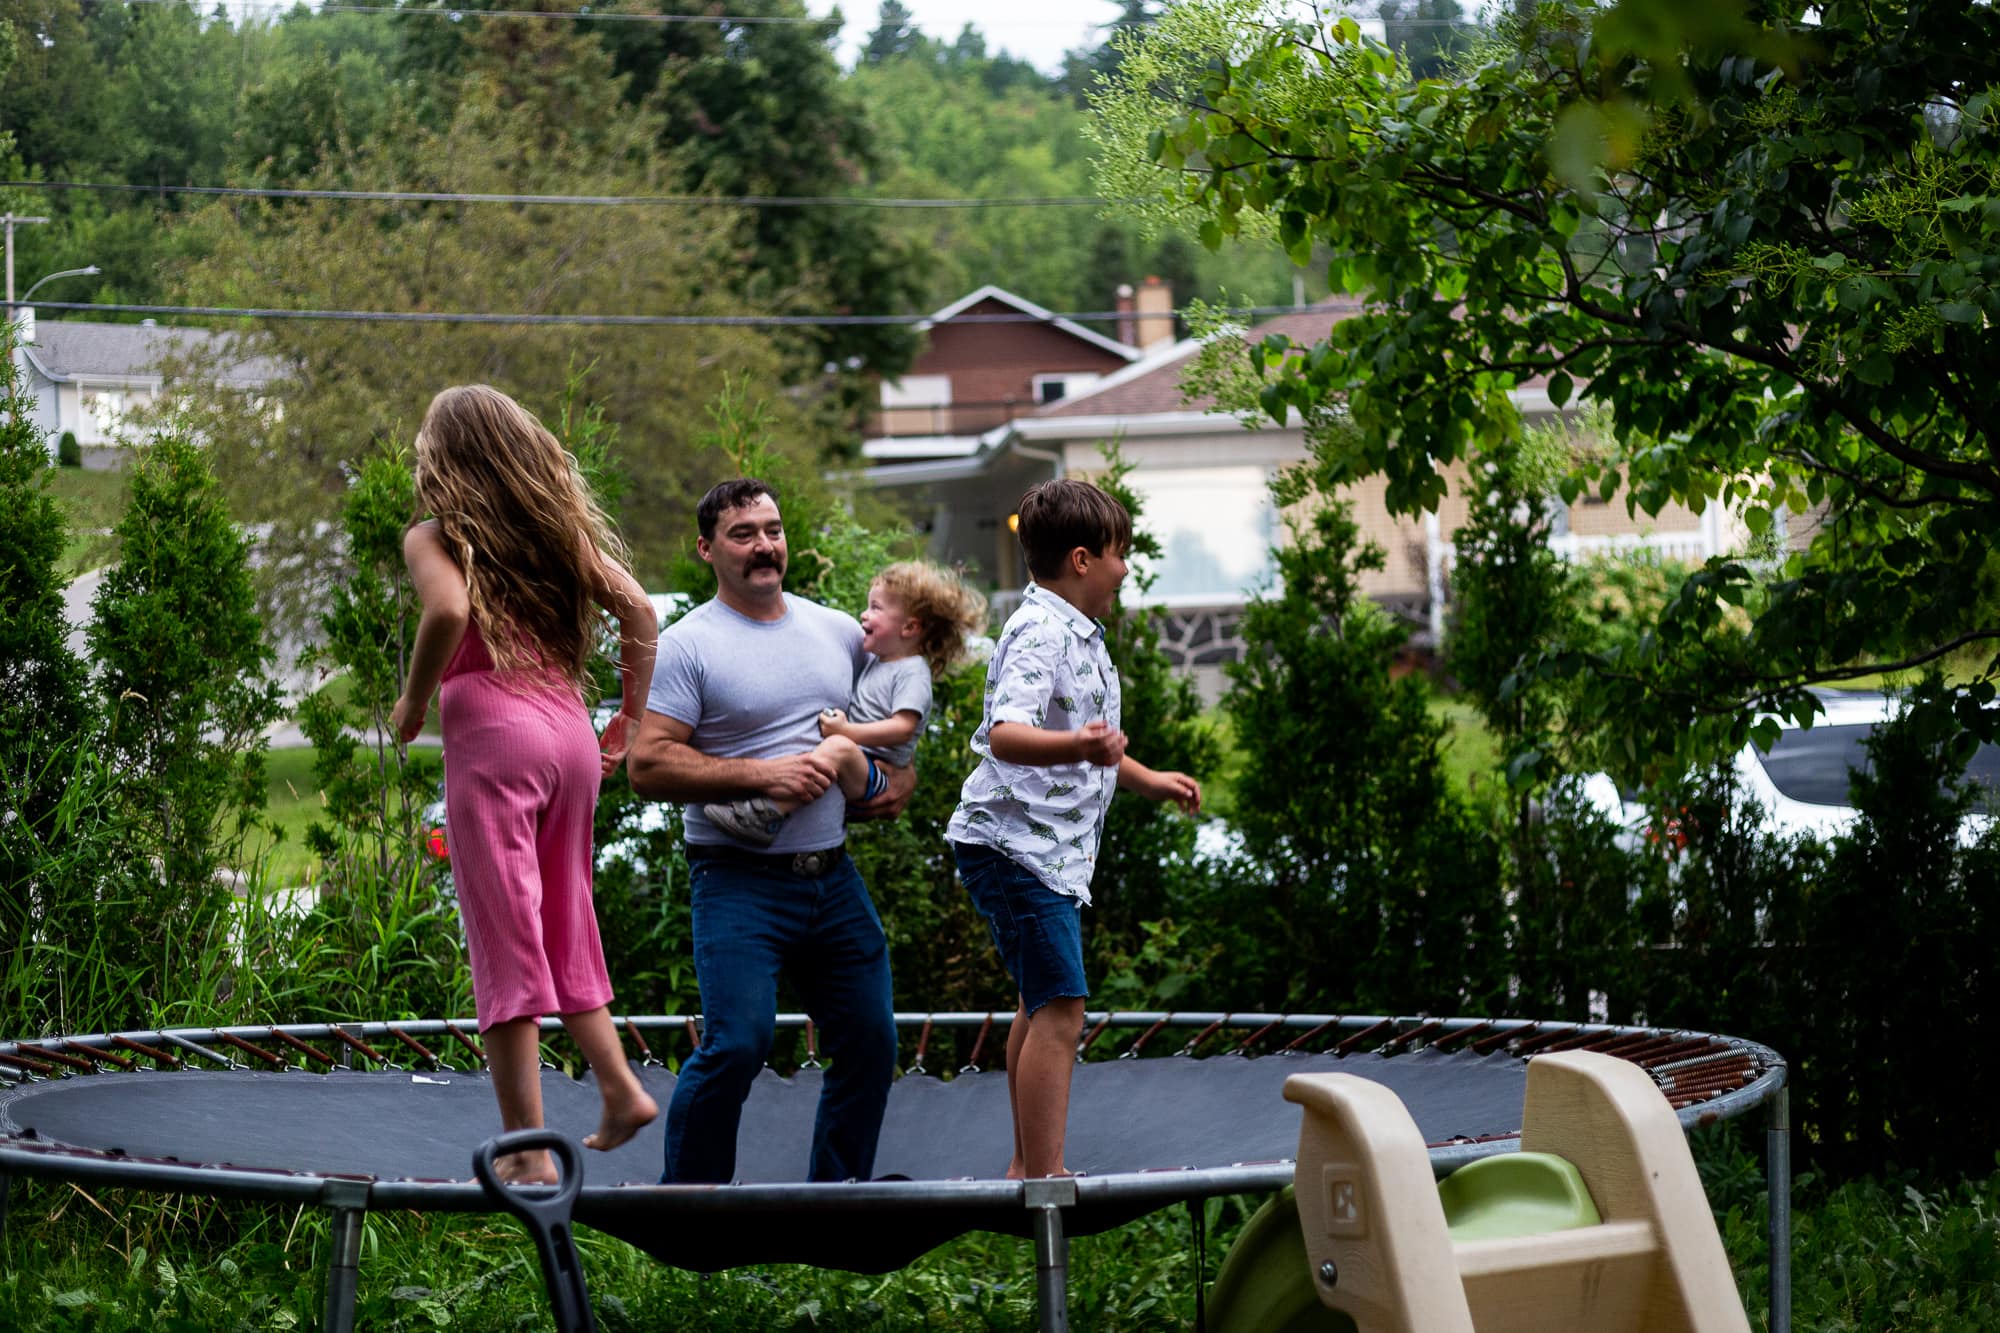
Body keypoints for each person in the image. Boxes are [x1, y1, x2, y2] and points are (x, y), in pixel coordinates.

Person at [390, 384, 660, 1185]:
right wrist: (631, 720)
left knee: (505, 940)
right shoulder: (555, 531)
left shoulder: (434, 537)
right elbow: (641, 612)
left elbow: (446, 612)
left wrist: (412, 701)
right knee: (564, 918)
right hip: (569, 730)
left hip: (495, 737)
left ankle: (530, 1150)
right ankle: (618, 1087)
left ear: (441, 459)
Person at [627, 478, 915, 1184]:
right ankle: (689, 1211)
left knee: (872, 1038)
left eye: (773, 529)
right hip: (736, 879)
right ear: (706, 549)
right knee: (738, 1042)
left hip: (831, 876)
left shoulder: (838, 632)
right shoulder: (689, 645)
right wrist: (765, 776)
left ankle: (836, 1199)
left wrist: (895, 780)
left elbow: (900, 718)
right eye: (744, 533)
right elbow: (647, 764)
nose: (765, 546)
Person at [946, 478, 1202, 1180]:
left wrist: (1145, 778)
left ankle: (1027, 1164)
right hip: (1013, 844)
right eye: (1120, 553)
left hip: (1041, 850)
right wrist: (1079, 749)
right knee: (1062, 1007)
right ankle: (1043, 1176)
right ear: (1084, 559)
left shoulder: (1077, 635)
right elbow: (1006, 733)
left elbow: (1088, 741)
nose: (1126, 568)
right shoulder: (1041, 631)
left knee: (1040, 1002)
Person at [702, 560, 986, 847]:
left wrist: (845, 732)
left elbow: (903, 728)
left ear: (909, 627)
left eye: (876, 608)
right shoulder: (878, 662)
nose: (864, 614)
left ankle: (764, 815)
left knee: (837, 748)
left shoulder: (912, 671)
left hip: (877, 774)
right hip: (861, 764)